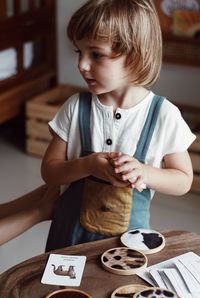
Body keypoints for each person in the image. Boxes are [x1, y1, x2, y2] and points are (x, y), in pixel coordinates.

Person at [42, 0, 196, 251]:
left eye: (95, 54)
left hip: (126, 247)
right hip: (67, 243)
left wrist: (144, 172)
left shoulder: (163, 115)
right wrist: (86, 165)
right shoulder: (75, 107)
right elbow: (49, 172)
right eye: (78, 52)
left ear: (135, 55)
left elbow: (183, 180)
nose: (81, 64)